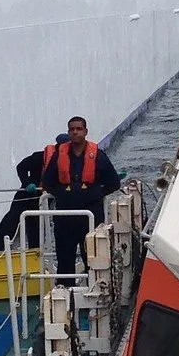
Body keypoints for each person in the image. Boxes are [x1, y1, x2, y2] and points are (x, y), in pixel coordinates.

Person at [39, 116, 121, 277]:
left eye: (79, 129)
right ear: (68, 132)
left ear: (85, 131)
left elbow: (114, 182)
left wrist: (95, 194)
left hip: (91, 216)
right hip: (65, 217)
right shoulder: (59, 155)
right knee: (65, 260)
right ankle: (65, 294)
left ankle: (97, 292)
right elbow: (48, 182)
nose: (75, 132)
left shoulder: (98, 155)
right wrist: (62, 193)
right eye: (72, 129)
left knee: (92, 258)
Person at [0, 135, 65, 253]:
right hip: (26, 196)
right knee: (10, 223)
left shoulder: (68, 161)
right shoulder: (40, 157)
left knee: (37, 229)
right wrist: (27, 183)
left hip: (43, 200)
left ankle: (34, 256)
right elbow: (21, 167)